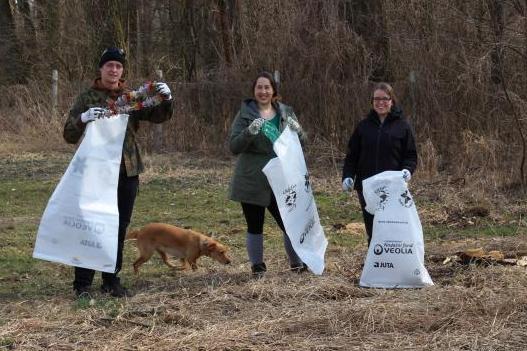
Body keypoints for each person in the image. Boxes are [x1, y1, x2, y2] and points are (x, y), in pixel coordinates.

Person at [63, 47, 173, 297]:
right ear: (101, 69)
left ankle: (111, 279)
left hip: (127, 169)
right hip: (95, 171)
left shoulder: (131, 97)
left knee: (119, 226)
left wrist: (167, 99)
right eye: (109, 65)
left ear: (122, 71)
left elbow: (157, 116)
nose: (114, 70)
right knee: (91, 224)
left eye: (118, 66)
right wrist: (83, 118)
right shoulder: (87, 97)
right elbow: (69, 135)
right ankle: (82, 283)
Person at [229, 71, 307, 278]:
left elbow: (302, 143)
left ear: (273, 91)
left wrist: (299, 132)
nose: (263, 91)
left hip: (282, 179)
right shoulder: (245, 114)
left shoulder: (285, 112)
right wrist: (249, 132)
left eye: (267, 87)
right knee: (255, 225)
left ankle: (296, 262)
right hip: (252, 179)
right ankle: (258, 268)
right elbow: (234, 146)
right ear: (254, 91)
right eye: (259, 87)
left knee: (289, 222)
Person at [342, 82, 417, 247]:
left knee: (392, 226)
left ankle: (393, 263)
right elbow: (351, 156)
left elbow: (410, 155)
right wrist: (348, 176)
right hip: (367, 187)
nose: (380, 102)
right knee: (372, 227)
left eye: (385, 99)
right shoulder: (363, 127)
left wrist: (407, 170)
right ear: (372, 101)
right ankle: (375, 264)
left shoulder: (403, 126)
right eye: (376, 99)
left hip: (393, 188)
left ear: (392, 101)